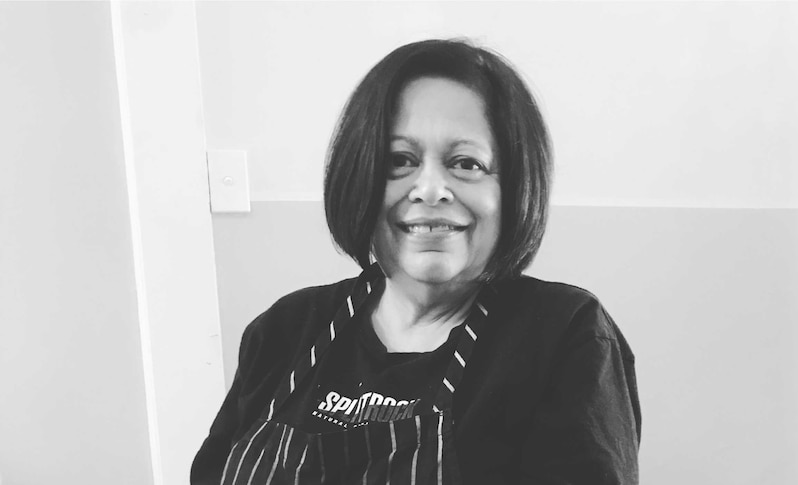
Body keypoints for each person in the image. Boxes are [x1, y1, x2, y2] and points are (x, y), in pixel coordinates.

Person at [191, 38, 640, 485]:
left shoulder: (562, 335)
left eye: (466, 163)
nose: (430, 189)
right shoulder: (284, 331)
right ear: (359, 176)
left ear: (514, 189)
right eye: (399, 161)